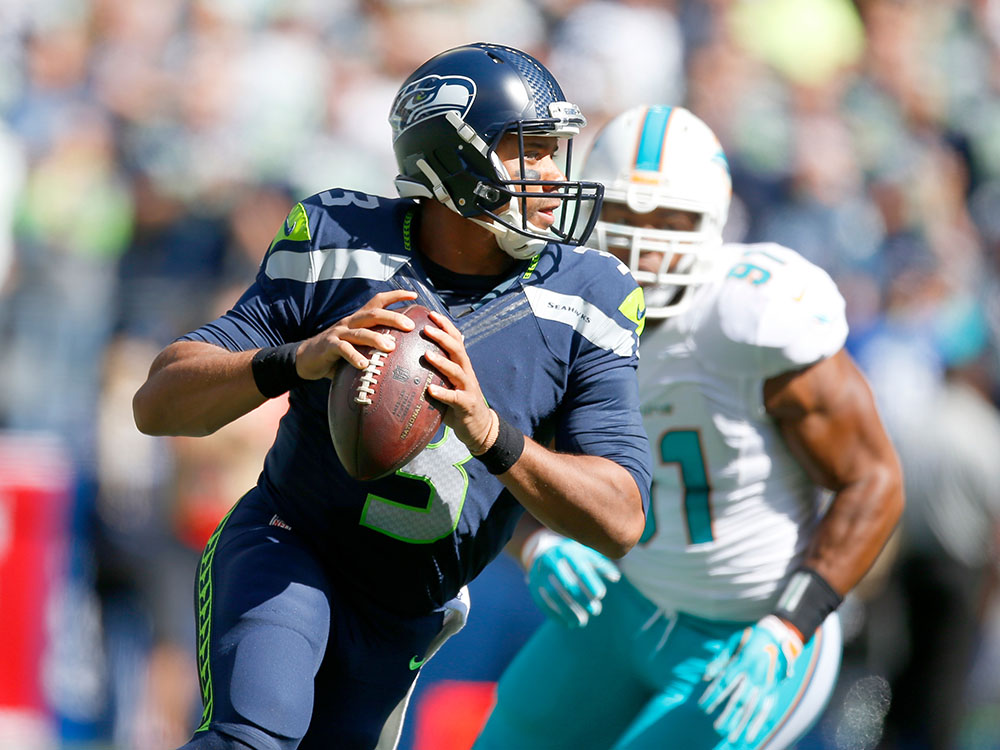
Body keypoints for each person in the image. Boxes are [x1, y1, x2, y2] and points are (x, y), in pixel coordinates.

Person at [131, 43, 653, 750]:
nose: (552, 175)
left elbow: (622, 515)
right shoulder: (340, 238)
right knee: (251, 738)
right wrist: (296, 359)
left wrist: (489, 431)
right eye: (526, 151)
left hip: (410, 604)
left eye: (556, 151)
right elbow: (158, 401)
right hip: (293, 544)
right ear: (451, 156)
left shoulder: (590, 294)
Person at [474, 105, 904, 750]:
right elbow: (495, 452)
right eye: (626, 216)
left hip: (749, 633)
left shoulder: (752, 316)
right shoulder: (555, 306)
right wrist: (535, 541)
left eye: (669, 221)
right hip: (619, 605)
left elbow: (872, 480)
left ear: (712, 226)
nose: (646, 244)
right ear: (588, 213)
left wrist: (790, 624)